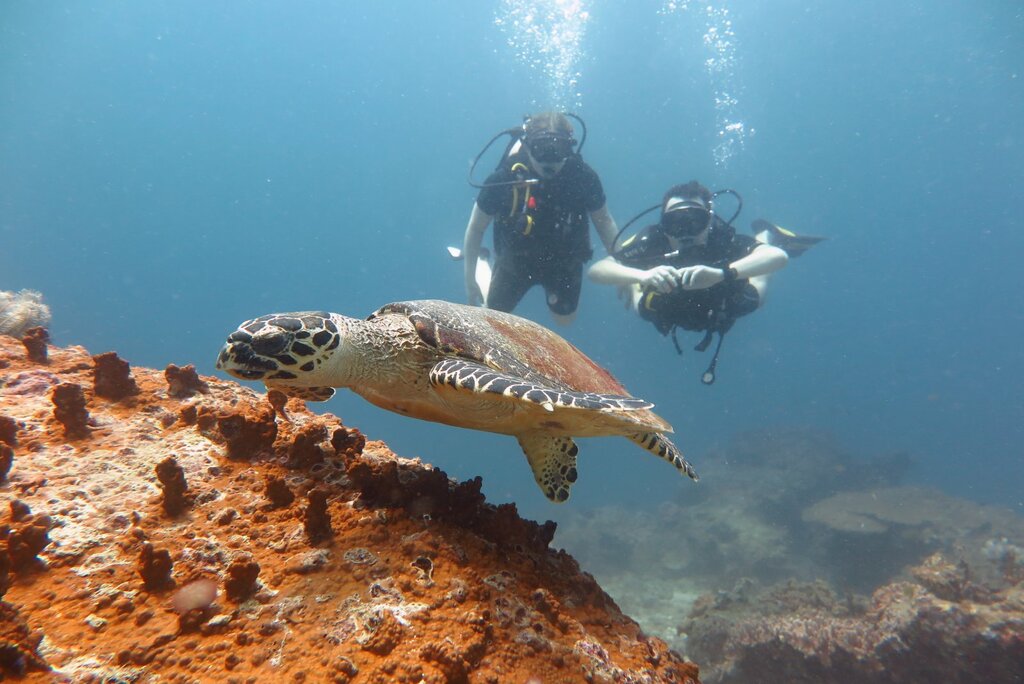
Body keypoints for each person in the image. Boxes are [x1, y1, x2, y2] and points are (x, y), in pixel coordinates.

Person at [588, 180, 821, 384]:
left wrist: (722, 274)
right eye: (675, 222)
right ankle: (632, 278)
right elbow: (597, 270)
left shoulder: (723, 238)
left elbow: (777, 257)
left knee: (758, 287)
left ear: (709, 221)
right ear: (663, 224)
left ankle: (766, 235)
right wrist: (643, 276)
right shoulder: (652, 239)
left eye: (695, 221)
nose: (685, 232)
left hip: (722, 305)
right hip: (666, 306)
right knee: (637, 295)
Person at [460, 112, 619, 325]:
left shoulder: (583, 178)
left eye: (559, 150)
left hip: (564, 261)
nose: (549, 160)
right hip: (516, 258)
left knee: (564, 321)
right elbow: (476, 228)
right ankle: (482, 261)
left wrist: (621, 265)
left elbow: (604, 221)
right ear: (526, 145)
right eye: (541, 149)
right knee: (492, 319)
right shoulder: (505, 178)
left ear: (569, 148)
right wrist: (470, 280)